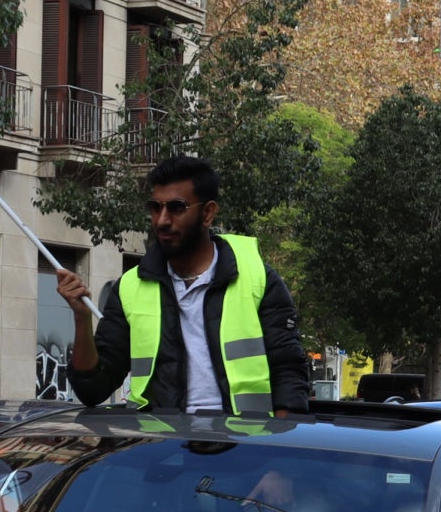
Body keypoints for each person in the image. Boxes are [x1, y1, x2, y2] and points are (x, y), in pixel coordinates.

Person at [56, 155, 313, 416]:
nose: (162, 220)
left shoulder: (257, 278)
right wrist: (81, 317)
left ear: (208, 213)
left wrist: (274, 446)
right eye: (155, 207)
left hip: (242, 444)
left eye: (176, 207)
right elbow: (94, 390)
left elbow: (289, 374)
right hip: (161, 447)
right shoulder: (130, 287)